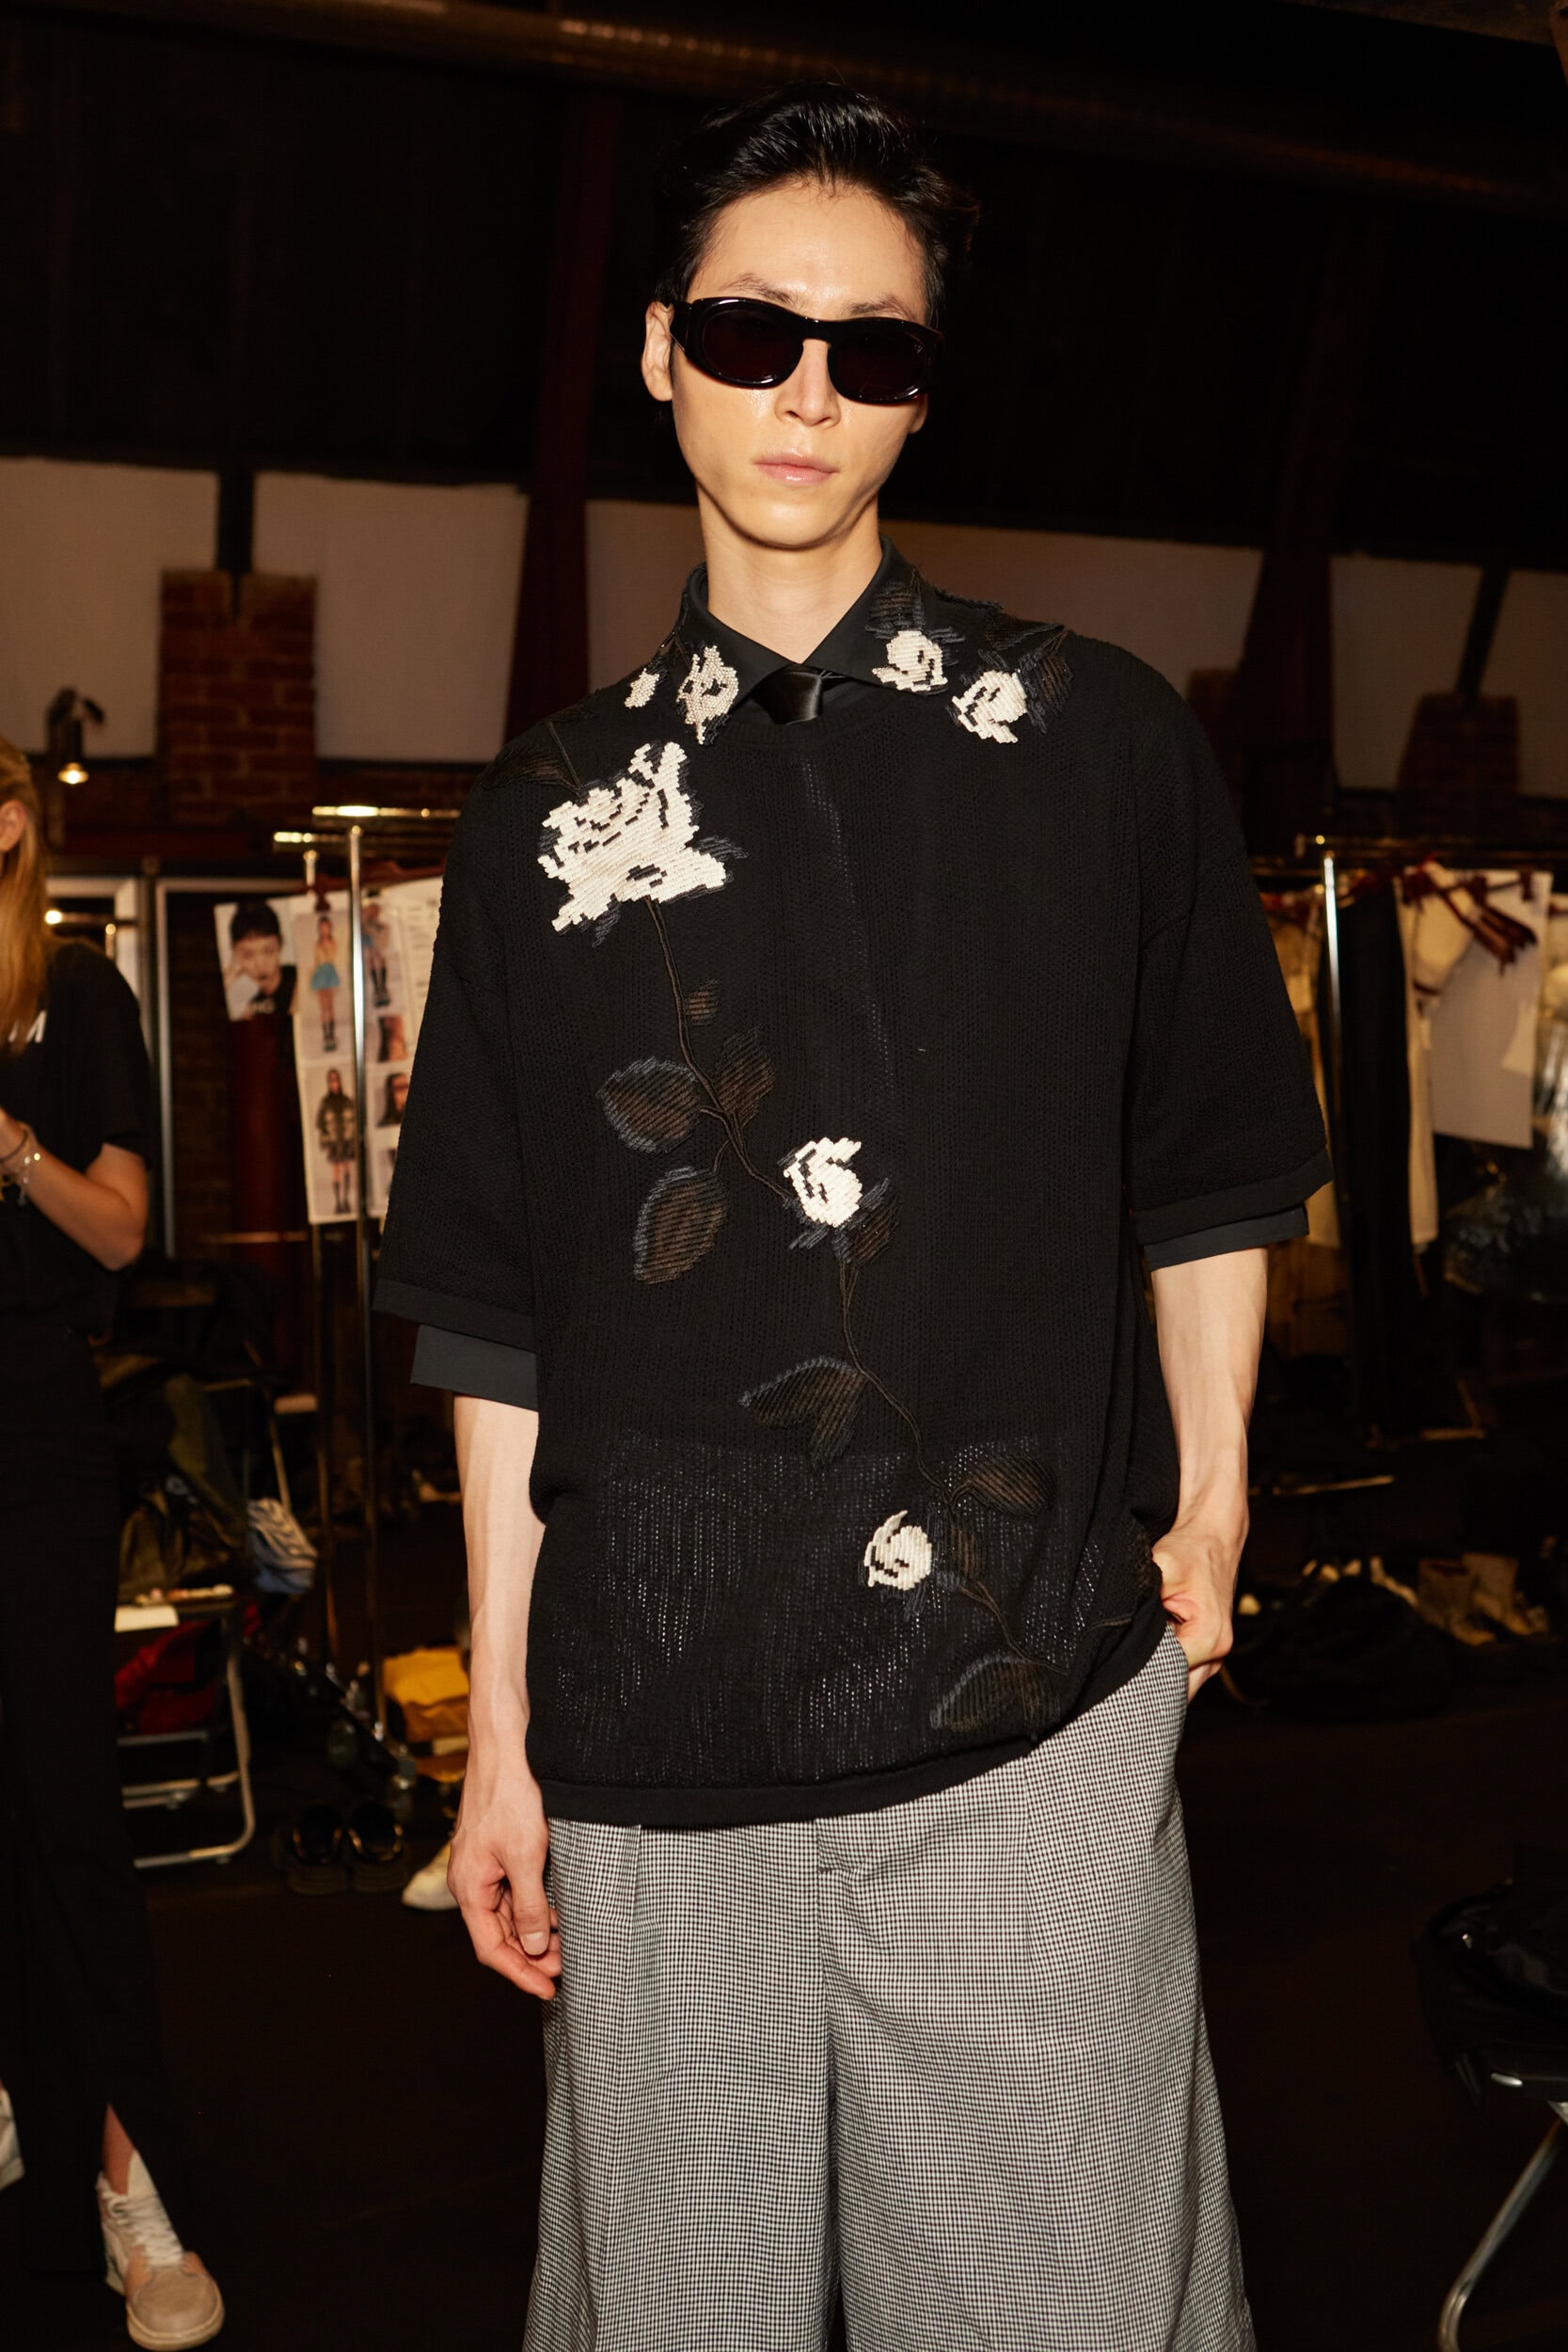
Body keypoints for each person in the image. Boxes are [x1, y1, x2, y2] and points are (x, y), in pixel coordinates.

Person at [376, 87, 1330, 2350]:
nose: (804, 389)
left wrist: (1213, 1501)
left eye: (869, 348)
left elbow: (1212, 1159)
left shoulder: (1098, 744)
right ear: (656, 351)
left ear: (921, 390)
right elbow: (497, 1307)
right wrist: (500, 1732)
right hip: (652, 1731)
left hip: (1025, 1710)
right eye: (749, 330)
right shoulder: (545, 813)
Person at [0, 739, 225, 2347]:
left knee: (66, 1808)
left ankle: (131, 2188)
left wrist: (11, 1152)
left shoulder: (77, 996)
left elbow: (126, 1228)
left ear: (11, 826)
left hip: (28, 1423)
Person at [222, 898, 294, 1019]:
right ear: (234, 952)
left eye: (268, 951)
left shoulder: (299, 979)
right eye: (248, 955)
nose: (260, 964)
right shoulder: (237, 994)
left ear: (280, 944)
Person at [315, 1067, 355, 1216]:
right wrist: (327, 1134)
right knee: (336, 1171)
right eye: (331, 1081)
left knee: (346, 1169)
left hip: (346, 1140)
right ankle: (338, 1202)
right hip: (334, 1142)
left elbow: (353, 1119)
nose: (334, 1083)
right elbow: (320, 1122)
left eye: (336, 1080)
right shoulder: (326, 1102)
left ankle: (346, 1200)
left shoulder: (346, 1100)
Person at [309, 910, 340, 1051]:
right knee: (323, 1007)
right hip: (320, 974)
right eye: (322, 928)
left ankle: (332, 1034)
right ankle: (326, 1035)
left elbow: (331, 957)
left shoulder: (333, 942)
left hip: (330, 973)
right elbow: (316, 961)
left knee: (330, 1006)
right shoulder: (317, 944)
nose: (324, 930)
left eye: (326, 927)